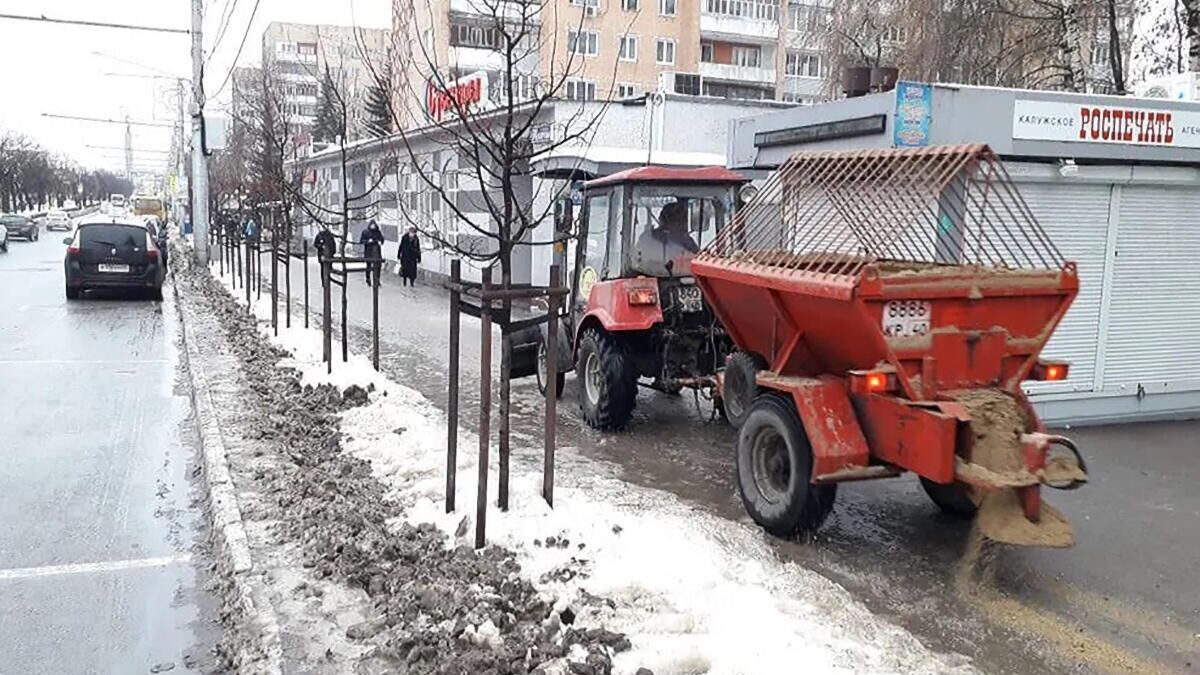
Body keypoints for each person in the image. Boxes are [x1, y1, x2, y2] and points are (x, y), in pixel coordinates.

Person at [359, 220, 386, 287]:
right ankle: (368, 279)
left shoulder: (378, 232)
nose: (373, 226)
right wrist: (368, 241)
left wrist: (380, 241)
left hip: (377, 251)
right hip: (369, 251)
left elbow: (382, 239)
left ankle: (377, 280)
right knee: (368, 266)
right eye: (372, 225)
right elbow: (362, 241)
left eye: (374, 225)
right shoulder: (365, 232)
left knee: (378, 266)